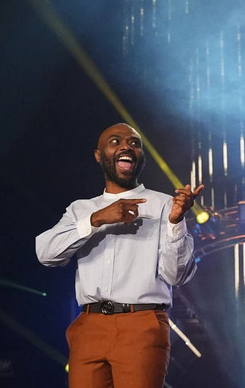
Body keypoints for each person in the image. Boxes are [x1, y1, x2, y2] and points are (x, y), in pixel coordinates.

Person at [36, 122, 203, 388]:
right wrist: (96, 219)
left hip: (141, 323)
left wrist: (175, 222)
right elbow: (45, 253)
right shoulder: (81, 209)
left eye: (134, 143)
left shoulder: (164, 205)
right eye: (115, 141)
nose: (127, 146)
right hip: (89, 326)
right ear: (98, 155)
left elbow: (176, 275)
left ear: (141, 158)